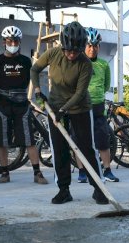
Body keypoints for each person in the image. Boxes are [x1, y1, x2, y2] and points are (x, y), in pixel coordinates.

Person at [30, 21, 109, 205]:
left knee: (86, 148)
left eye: (76, 51)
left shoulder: (85, 64)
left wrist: (64, 110)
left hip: (79, 108)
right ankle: (63, 190)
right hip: (55, 106)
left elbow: (80, 93)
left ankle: (99, 187)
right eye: (69, 50)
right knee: (59, 149)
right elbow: (34, 69)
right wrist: (37, 90)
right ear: (63, 46)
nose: (72, 54)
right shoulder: (53, 53)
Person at [0, 25, 48, 185]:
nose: (12, 43)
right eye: (9, 40)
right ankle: (5, 172)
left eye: (15, 41)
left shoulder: (25, 61)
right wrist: (2, 97)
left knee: (29, 139)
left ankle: (37, 173)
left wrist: (36, 92)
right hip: (2, 106)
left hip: (22, 106)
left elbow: (32, 78)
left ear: (20, 42)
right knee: (2, 141)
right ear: (4, 42)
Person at [75, 27, 119, 184]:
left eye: (95, 45)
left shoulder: (103, 64)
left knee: (103, 140)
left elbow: (106, 85)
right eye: (89, 45)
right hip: (80, 107)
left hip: (98, 106)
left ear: (99, 46)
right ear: (83, 46)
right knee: (79, 140)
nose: (92, 49)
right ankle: (82, 172)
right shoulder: (77, 63)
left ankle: (107, 170)